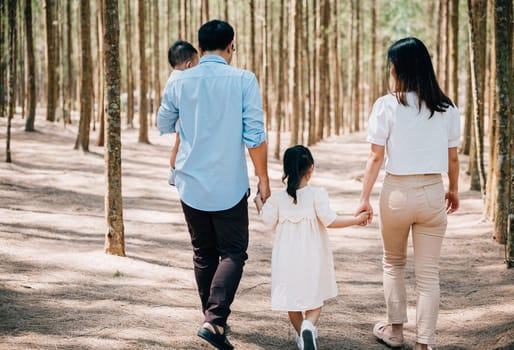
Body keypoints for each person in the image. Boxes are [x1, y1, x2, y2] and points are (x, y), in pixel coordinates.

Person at [157, 19, 270, 350]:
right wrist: (263, 178)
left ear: (200, 47)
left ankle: (212, 319)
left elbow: (163, 122)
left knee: (203, 253)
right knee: (233, 252)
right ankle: (215, 320)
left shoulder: (179, 81)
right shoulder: (244, 80)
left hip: (190, 183)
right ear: (232, 45)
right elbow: (255, 135)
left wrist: (187, 118)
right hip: (229, 184)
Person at [355, 37, 460, 350]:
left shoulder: (387, 105)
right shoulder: (447, 106)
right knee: (429, 275)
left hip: (397, 193)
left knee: (394, 263)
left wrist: (364, 197)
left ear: (397, 68)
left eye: (391, 65)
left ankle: (396, 332)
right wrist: (453, 189)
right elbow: (453, 157)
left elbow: (375, 157)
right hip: (432, 192)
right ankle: (425, 344)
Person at [254, 145, 369, 350]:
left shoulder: (278, 199)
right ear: (311, 168)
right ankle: (308, 326)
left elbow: (267, 221)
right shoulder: (318, 194)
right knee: (315, 299)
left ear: (286, 170)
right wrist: (356, 219)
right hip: (312, 256)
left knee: (292, 302)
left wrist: (259, 203)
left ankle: (302, 336)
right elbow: (330, 220)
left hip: (286, 258)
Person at [159, 40, 199, 186]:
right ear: (189, 65)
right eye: (197, 63)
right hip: (184, 119)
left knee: (178, 144)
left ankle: (173, 170)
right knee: (179, 144)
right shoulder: (184, 79)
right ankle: (174, 170)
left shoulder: (172, 78)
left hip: (180, 119)